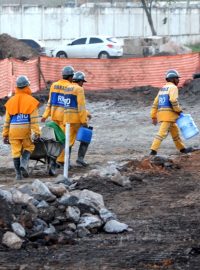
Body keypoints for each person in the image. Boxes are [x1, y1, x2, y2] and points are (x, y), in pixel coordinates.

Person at [2, 75, 40, 180]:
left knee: (15, 151)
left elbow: (7, 121)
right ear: (27, 86)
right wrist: (37, 133)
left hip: (13, 130)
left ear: (17, 87)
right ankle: (24, 163)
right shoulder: (31, 101)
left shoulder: (11, 101)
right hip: (25, 129)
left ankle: (18, 175)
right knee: (29, 147)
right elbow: (34, 120)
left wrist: (5, 134)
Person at [150, 69, 192, 156]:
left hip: (165, 115)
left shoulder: (163, 89)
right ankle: (153, 152)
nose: (178, 80)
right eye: (177, 78)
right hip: (168, 116)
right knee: (161, 134)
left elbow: (155, 103)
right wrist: (178, 110)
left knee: (175, 133)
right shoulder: (173, 88)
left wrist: (153, 116)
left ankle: (182, 149)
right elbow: (173, 100)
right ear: (172, 79)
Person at [41, 66, 75, 167]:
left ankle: (56, 159)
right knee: (64, 140)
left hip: (54, 117)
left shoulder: (54, 85)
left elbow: (50, 101)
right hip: (65, 119)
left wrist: (45, 115)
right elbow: (73, 104)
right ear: (70, 77)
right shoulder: (71, 87)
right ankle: (60, 161)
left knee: (55, 140)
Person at [63, 71, 91, 167]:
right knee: (86, 136)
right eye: (82, 81)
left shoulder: (67, 88)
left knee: (69, 141)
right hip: (76, 120)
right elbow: (81, 106)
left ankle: (67, 162)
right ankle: (80, 159)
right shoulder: (79, 89)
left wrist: (87, 114)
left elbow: (70, 104)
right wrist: (84, 121)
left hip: (67, 119)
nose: (83, 84)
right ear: (79, 81)